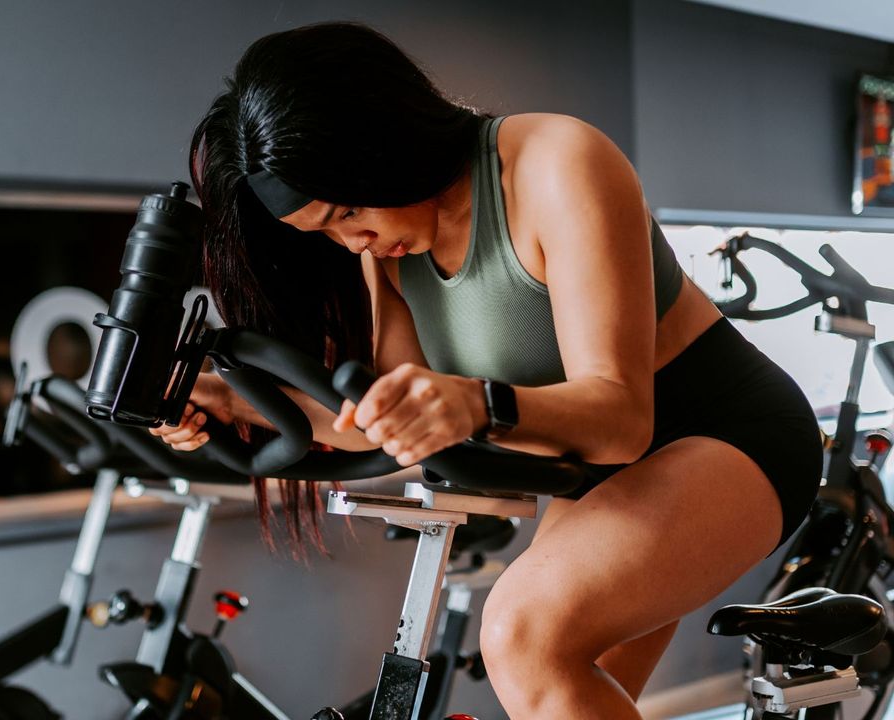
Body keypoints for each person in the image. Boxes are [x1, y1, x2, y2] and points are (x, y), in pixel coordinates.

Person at [151, 21, 821, 717]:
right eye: (326, 232)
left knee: (522, 636)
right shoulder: (387, 252)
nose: (355, 242)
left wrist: (474, 403)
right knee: (547, 684)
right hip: (600, 474)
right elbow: (381, 425)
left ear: (384, 143)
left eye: (349, 211)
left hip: (727, 432)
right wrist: (229, 401)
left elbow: (621, 418)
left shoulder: (556, 163)